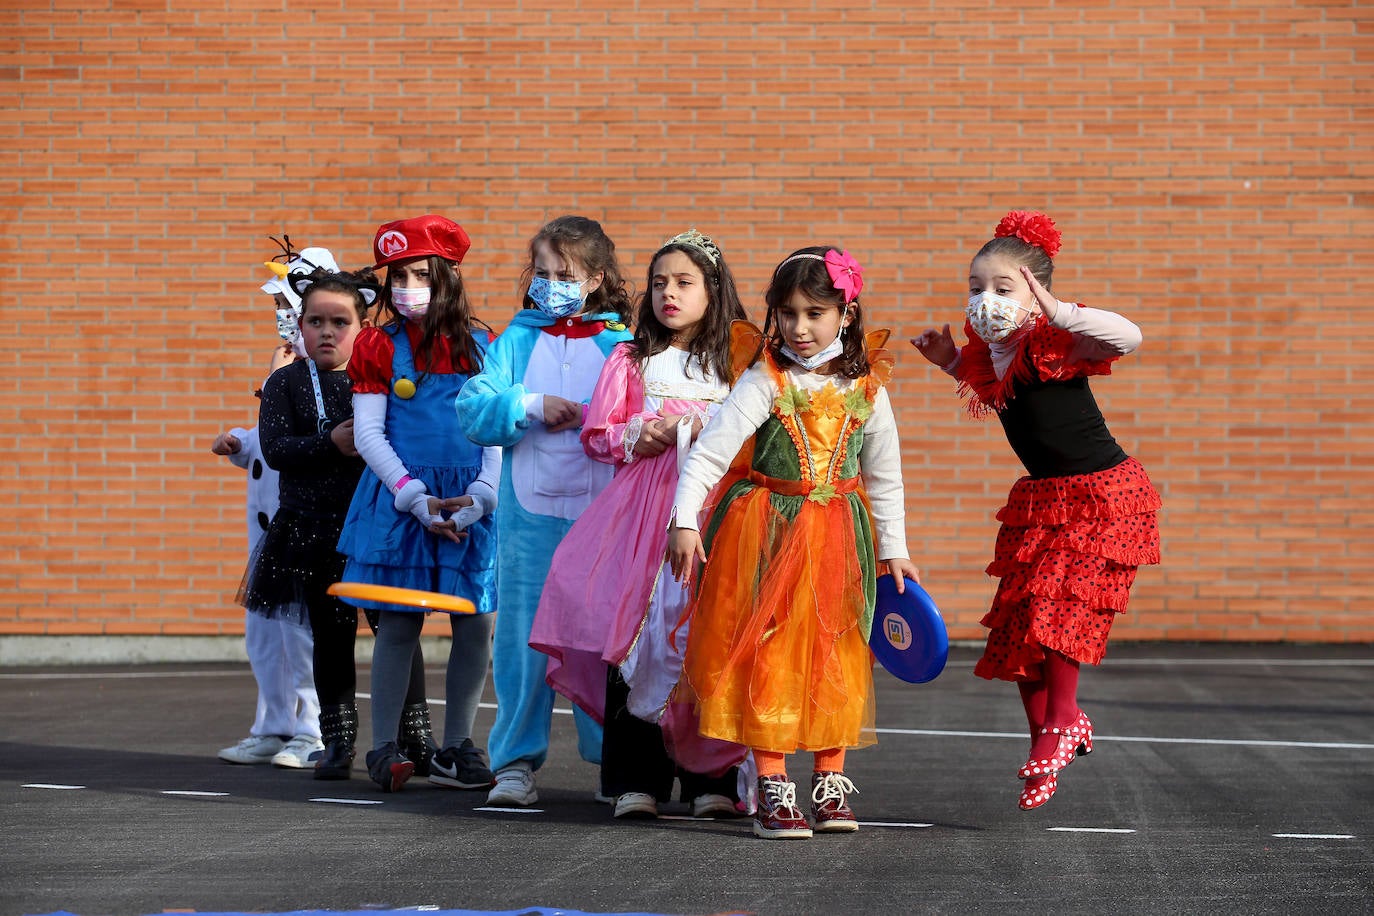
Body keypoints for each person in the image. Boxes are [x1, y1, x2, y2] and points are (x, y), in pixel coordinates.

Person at [910, 209, 1161, 811]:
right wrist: (949, 361)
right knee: (1018, 630)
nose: (986, 300)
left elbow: (1129, 336)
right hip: (1046, 497)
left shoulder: (1057, 339)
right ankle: (1046, 736)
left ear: (1034, 292)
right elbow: (994, 389)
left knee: (1053, 605)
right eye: (976, 289)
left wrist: (1058, 309)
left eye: (1003, 288)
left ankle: (1063, 722)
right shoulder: (989, 352)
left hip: (1104, 495)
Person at [667, 246, 920, 840]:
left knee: (836, 651)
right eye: (787, 314)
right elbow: (709, 454)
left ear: (846, 314)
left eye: (815, 313)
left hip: (841, 538)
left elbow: (885, 475)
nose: (799, 328)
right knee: (770, 652)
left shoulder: (868, 386)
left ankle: (831, 781)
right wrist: (683, 520)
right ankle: (775, 788)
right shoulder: (765, 379)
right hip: (768, 532)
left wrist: (895, 547)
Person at [529, 229, 749, 820]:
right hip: (642, 515)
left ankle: (715, 779)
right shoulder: (631, 358)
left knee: (711, 635)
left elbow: (764, 432)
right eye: (658, 283)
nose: (668, 294)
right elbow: (597, 433)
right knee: (637, 634)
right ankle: (635, 777)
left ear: (714, 291)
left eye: (684, 283)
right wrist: (637, 434)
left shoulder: (742, 360)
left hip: (715, 512)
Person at [457, 215, 634, 807]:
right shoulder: (516, 339)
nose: (551, 283)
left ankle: (614, 763)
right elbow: (474, 407)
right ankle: (514, 763)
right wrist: (529, 404)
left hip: (599, 520)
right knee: (522, 641)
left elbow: (640, 421)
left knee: (598, 641)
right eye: (543, 271)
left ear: (596, 279)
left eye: (566, 274)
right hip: (528, 518)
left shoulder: (621, 346)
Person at [336, 215, 501, 794]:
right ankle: (384, 750)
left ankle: (457, 745)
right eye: (398, 275)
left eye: (420, 273)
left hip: (469, 500)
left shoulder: (486, 346)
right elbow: (368, 434)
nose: (407, 285)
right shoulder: (377, 345)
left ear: (448, 277)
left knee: (474, 623)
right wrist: (414, 497)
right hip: (403, 501)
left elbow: (497, 430)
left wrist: (482, 496)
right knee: (399, 625)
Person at [239, 266, 380, 780]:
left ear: (363, 326)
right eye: (314, 321)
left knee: (393, 633)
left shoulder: (377, 378)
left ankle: (409, 739)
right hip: (311, 530)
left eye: (339, 322)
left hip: (375, 529)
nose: (326, 331)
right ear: (300, 325)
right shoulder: (285, 381)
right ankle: (336, 742)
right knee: (330, 637)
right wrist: (329, 443)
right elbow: (275, 450)